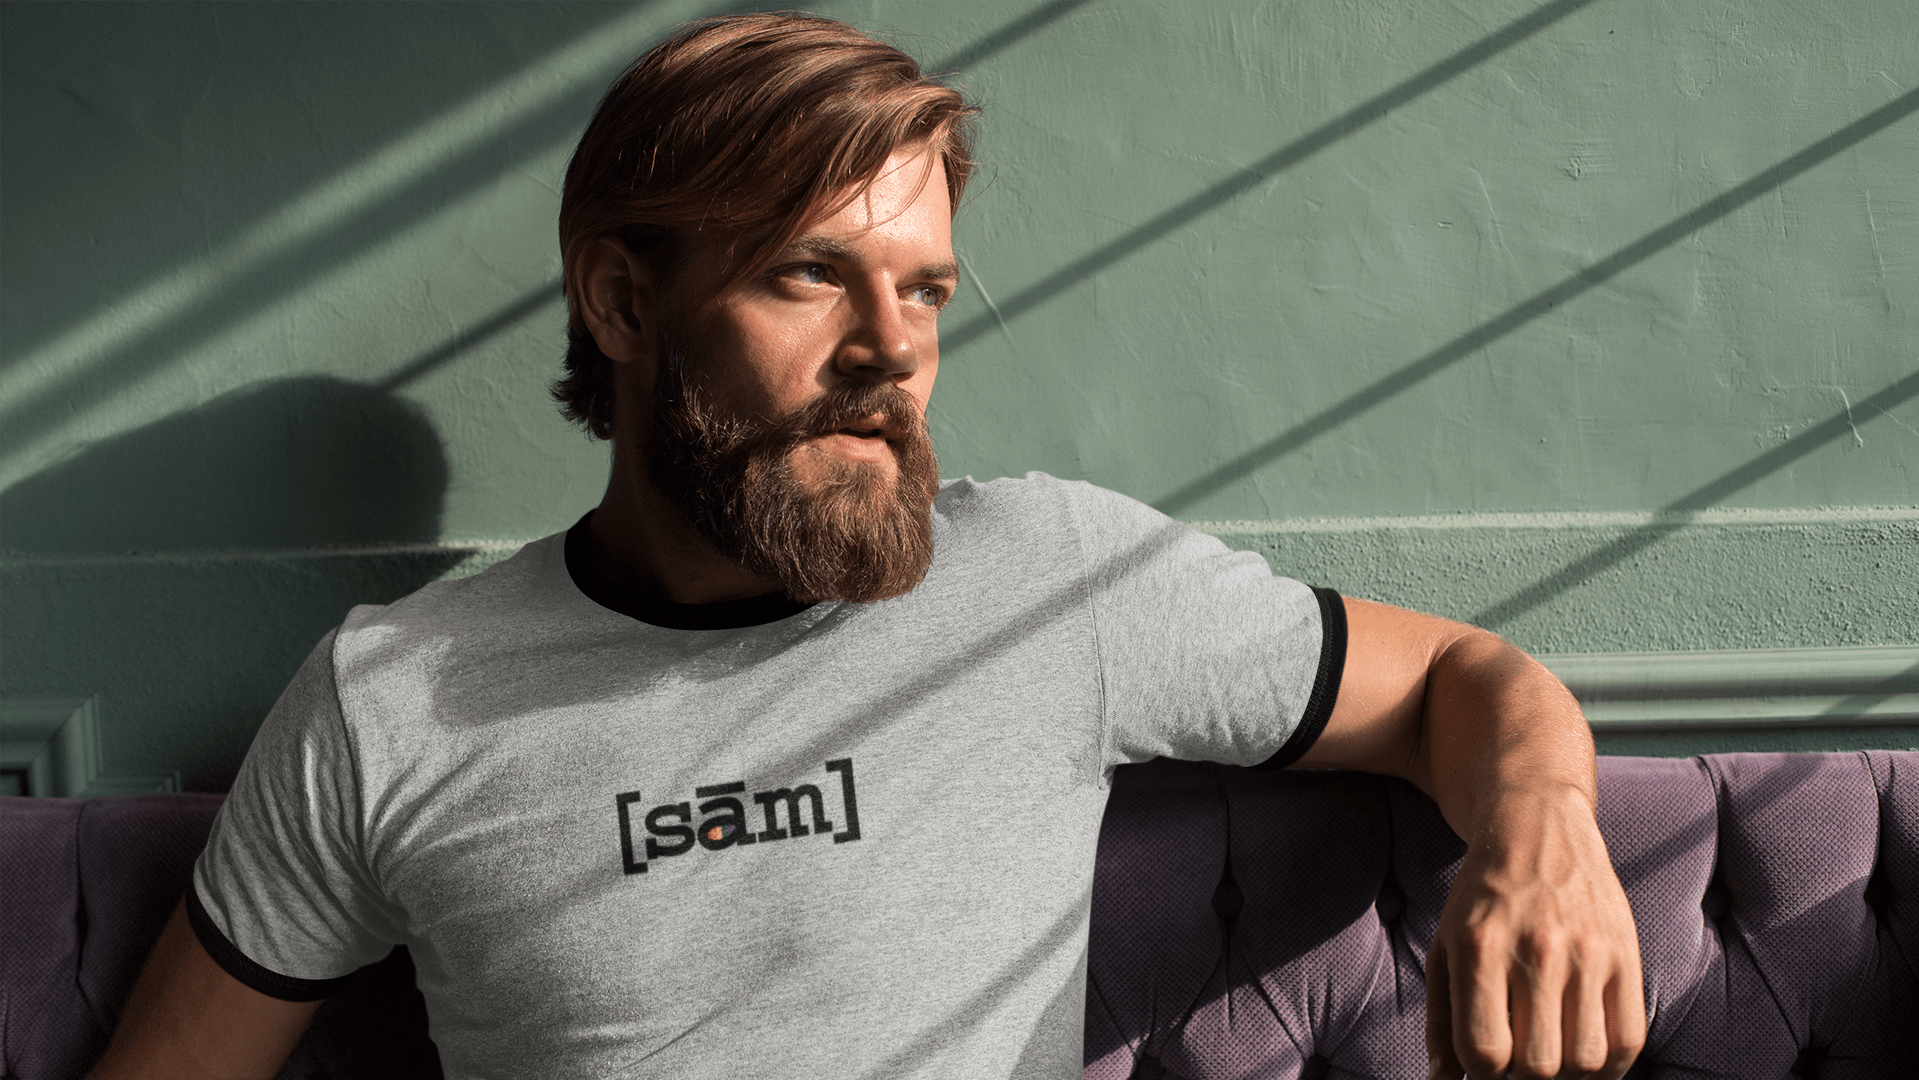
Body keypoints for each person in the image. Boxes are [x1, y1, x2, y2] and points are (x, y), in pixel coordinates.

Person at [90, 13, 1644, 1080]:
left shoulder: (1054, 582)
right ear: (624, 304)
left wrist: (1544, 830)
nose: (885, 350)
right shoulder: (392, 702)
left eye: (923, 292)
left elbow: (1465, 673)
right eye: (808, 277)